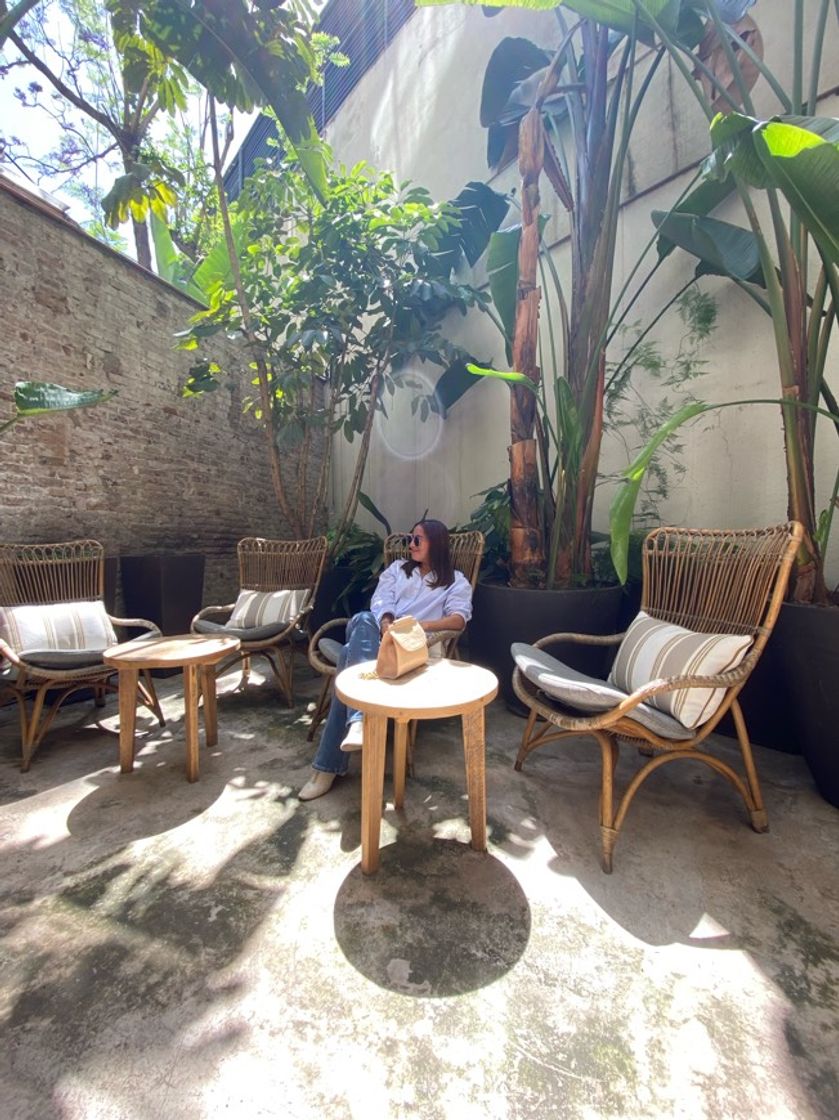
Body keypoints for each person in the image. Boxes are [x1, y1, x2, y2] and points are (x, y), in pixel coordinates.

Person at [298, 519, 473, 801]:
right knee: (364, 618)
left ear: (436, 544)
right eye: (409, 539)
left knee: (348, 655)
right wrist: (387, 625)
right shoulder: (397, 570)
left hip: (409, 646)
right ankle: (358, 719)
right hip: (376, 634)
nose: (410, 545)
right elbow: (380, 601)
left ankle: (329, 764)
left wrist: (416, 625)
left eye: (417, 540)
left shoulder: (455, 581)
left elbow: (458, 620)